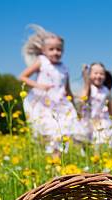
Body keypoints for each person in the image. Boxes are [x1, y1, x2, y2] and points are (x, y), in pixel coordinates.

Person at [18, 24, 86, 154]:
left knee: (67, 132)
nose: (56, 52)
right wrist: (39, 86)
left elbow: (67, 90)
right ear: (44, 50)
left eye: (59, 49)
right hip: (44, 103)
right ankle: (55, 163)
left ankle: (64, 160)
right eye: (52, 49)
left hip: (61, 104)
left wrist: (75, 103)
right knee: (53, 133)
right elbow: (22, 77)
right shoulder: (42, 61)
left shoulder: (65, 68)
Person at [79, 62, 112, 148]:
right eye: (95, 73)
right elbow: (83, 100)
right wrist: (86, 82)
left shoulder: (106, 90)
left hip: (102, 121)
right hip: (88, 121)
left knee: (101, 143)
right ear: (90, 75)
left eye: (101, 74)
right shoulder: (88, 88)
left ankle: (99, 159)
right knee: (87, 145)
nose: (98, 76)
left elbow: (110, 106)